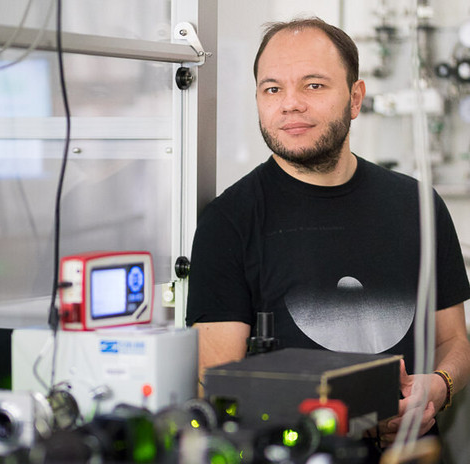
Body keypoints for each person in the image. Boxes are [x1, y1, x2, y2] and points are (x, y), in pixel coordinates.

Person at [185, 17, 470, 451]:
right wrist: (353, 420)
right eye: (272, 88)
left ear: (355, 98)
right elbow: (222, 391)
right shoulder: (229, 221)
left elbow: (453, 341)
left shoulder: (418, 205)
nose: (290, 104)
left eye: (313, 85)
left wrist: (439, 386)